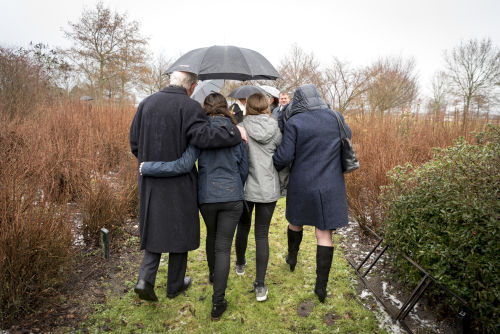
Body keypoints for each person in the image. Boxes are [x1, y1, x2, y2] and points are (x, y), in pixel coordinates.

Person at [129, 71, 246, 303]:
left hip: (151, 179)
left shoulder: (145, 103)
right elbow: (204, 139)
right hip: (180, 181)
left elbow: (134, 143)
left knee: (156, 226)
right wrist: (234, 132)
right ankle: (174, 285)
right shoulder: (190, 107)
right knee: (179, 231)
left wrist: (150, 163)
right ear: (192, 86)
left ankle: (145, 278)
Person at [272, 84, 352, 303]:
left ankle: (292, 257)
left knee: (295, 222)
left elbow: (285, 156)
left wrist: (273, 162)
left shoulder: (296, 122)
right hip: (330, 184)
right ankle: (321, 287)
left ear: (298, 101)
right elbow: (349, 135)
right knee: (324, 234)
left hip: (302, 183)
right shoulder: (335, 116)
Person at [235, 93, 282, 302]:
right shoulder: (275, 128)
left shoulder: (241, 127)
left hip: (246, 187)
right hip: (268, 187)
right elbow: (282, 154)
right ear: (266, 107)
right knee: (262, 235)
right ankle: (260, 286)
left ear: (248, 107)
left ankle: (240, 263)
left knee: (243, 226)